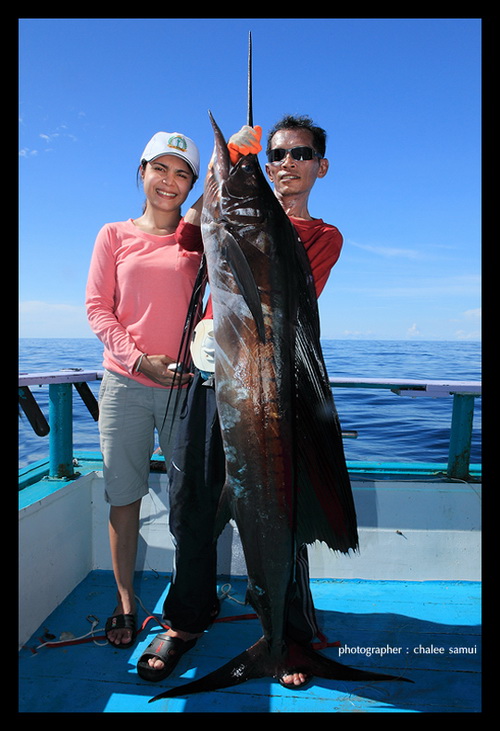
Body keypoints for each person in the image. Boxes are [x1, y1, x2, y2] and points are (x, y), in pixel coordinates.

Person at [136, 115, 343, 688]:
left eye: (300, 154)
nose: (287, 163)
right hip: (209, 383)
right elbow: (187, 234)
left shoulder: (322, 235)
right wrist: (221, 177)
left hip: (273, 393)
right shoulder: (226, 215)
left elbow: (281, 269)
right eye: (276, 155)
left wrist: (241, 198)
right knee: (193, 509)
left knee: (285, 510)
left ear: (319, 167)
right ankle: (183, 623)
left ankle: (288, 636)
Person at [85, 130, 205, 648]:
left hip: (187, 388)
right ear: (142, 172)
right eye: (161, 169)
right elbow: (97, 308)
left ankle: (188, 602)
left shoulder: (198, 240)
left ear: (192, 185)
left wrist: (243, 151)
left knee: (190, 503)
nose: (169, 182)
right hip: (124, 384)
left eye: (182, 173)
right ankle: (126, 601)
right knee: (124, 497)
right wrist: (138, 360)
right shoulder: (113, 234)